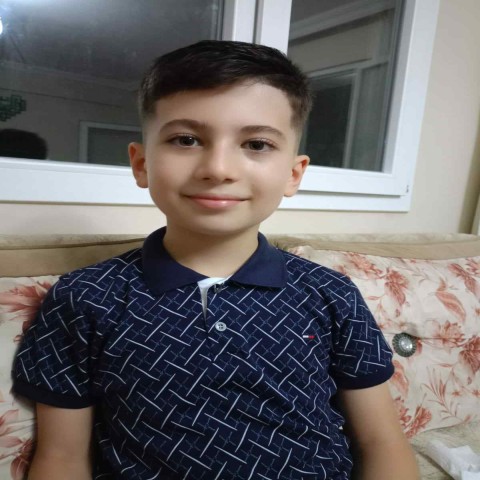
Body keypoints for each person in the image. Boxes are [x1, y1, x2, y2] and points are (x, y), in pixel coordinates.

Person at [12, 40, 419, 480]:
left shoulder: (330, 293)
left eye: (257, 144)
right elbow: (62, 459)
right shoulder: (84, 298)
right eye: (186, 140)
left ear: (293, 173)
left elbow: (383, 443)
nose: (219, 168)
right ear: (142, 163)